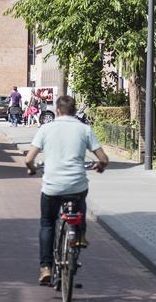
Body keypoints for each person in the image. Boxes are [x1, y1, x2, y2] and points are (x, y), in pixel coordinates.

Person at [23, 95, 109, 286]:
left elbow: (29, 158)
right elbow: (103, 157)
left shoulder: (46, 128)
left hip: (52, 186)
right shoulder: (84, 129)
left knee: (47, 223)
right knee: (80, 198)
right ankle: (80, 234)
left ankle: (46, 267)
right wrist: (101, 166)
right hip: (76, 185)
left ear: (57, 110)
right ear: (73, 109)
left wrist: (31, 169)